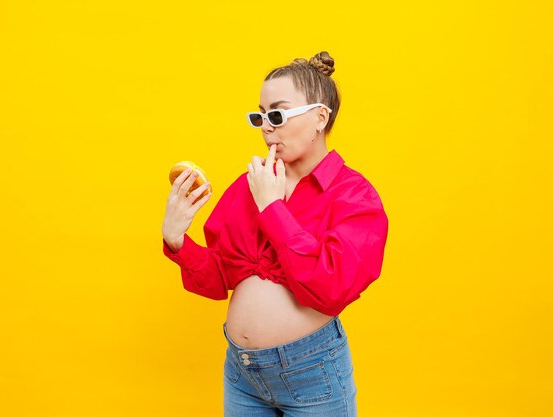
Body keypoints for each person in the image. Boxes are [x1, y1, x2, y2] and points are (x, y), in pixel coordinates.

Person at [161, 51, 388, 417]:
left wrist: (272, 209)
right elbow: (220, 278)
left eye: (278, 114)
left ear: (319, 118)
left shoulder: (355, 197)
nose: (267, 126)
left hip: (313, 375)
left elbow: (329, 290)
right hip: (242, 375)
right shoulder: (249, 185)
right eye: (260, 116)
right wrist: (177, 242)